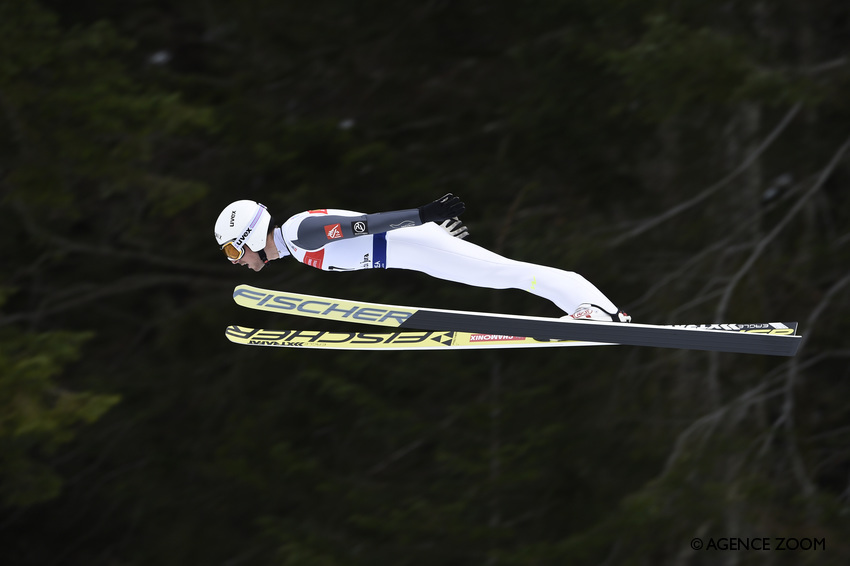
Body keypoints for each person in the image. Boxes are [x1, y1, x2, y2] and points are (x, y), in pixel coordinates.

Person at [213, 195, 630, 322]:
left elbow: (368, 225)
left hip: (416, 242)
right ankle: (592, 310)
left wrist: (423, 217)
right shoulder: (297, 246)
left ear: (250, 236)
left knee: (504, 274)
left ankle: (595, 309)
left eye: (234, 249)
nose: (236, 260)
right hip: (415, 251)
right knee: (501, 275)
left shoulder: (301, 235)